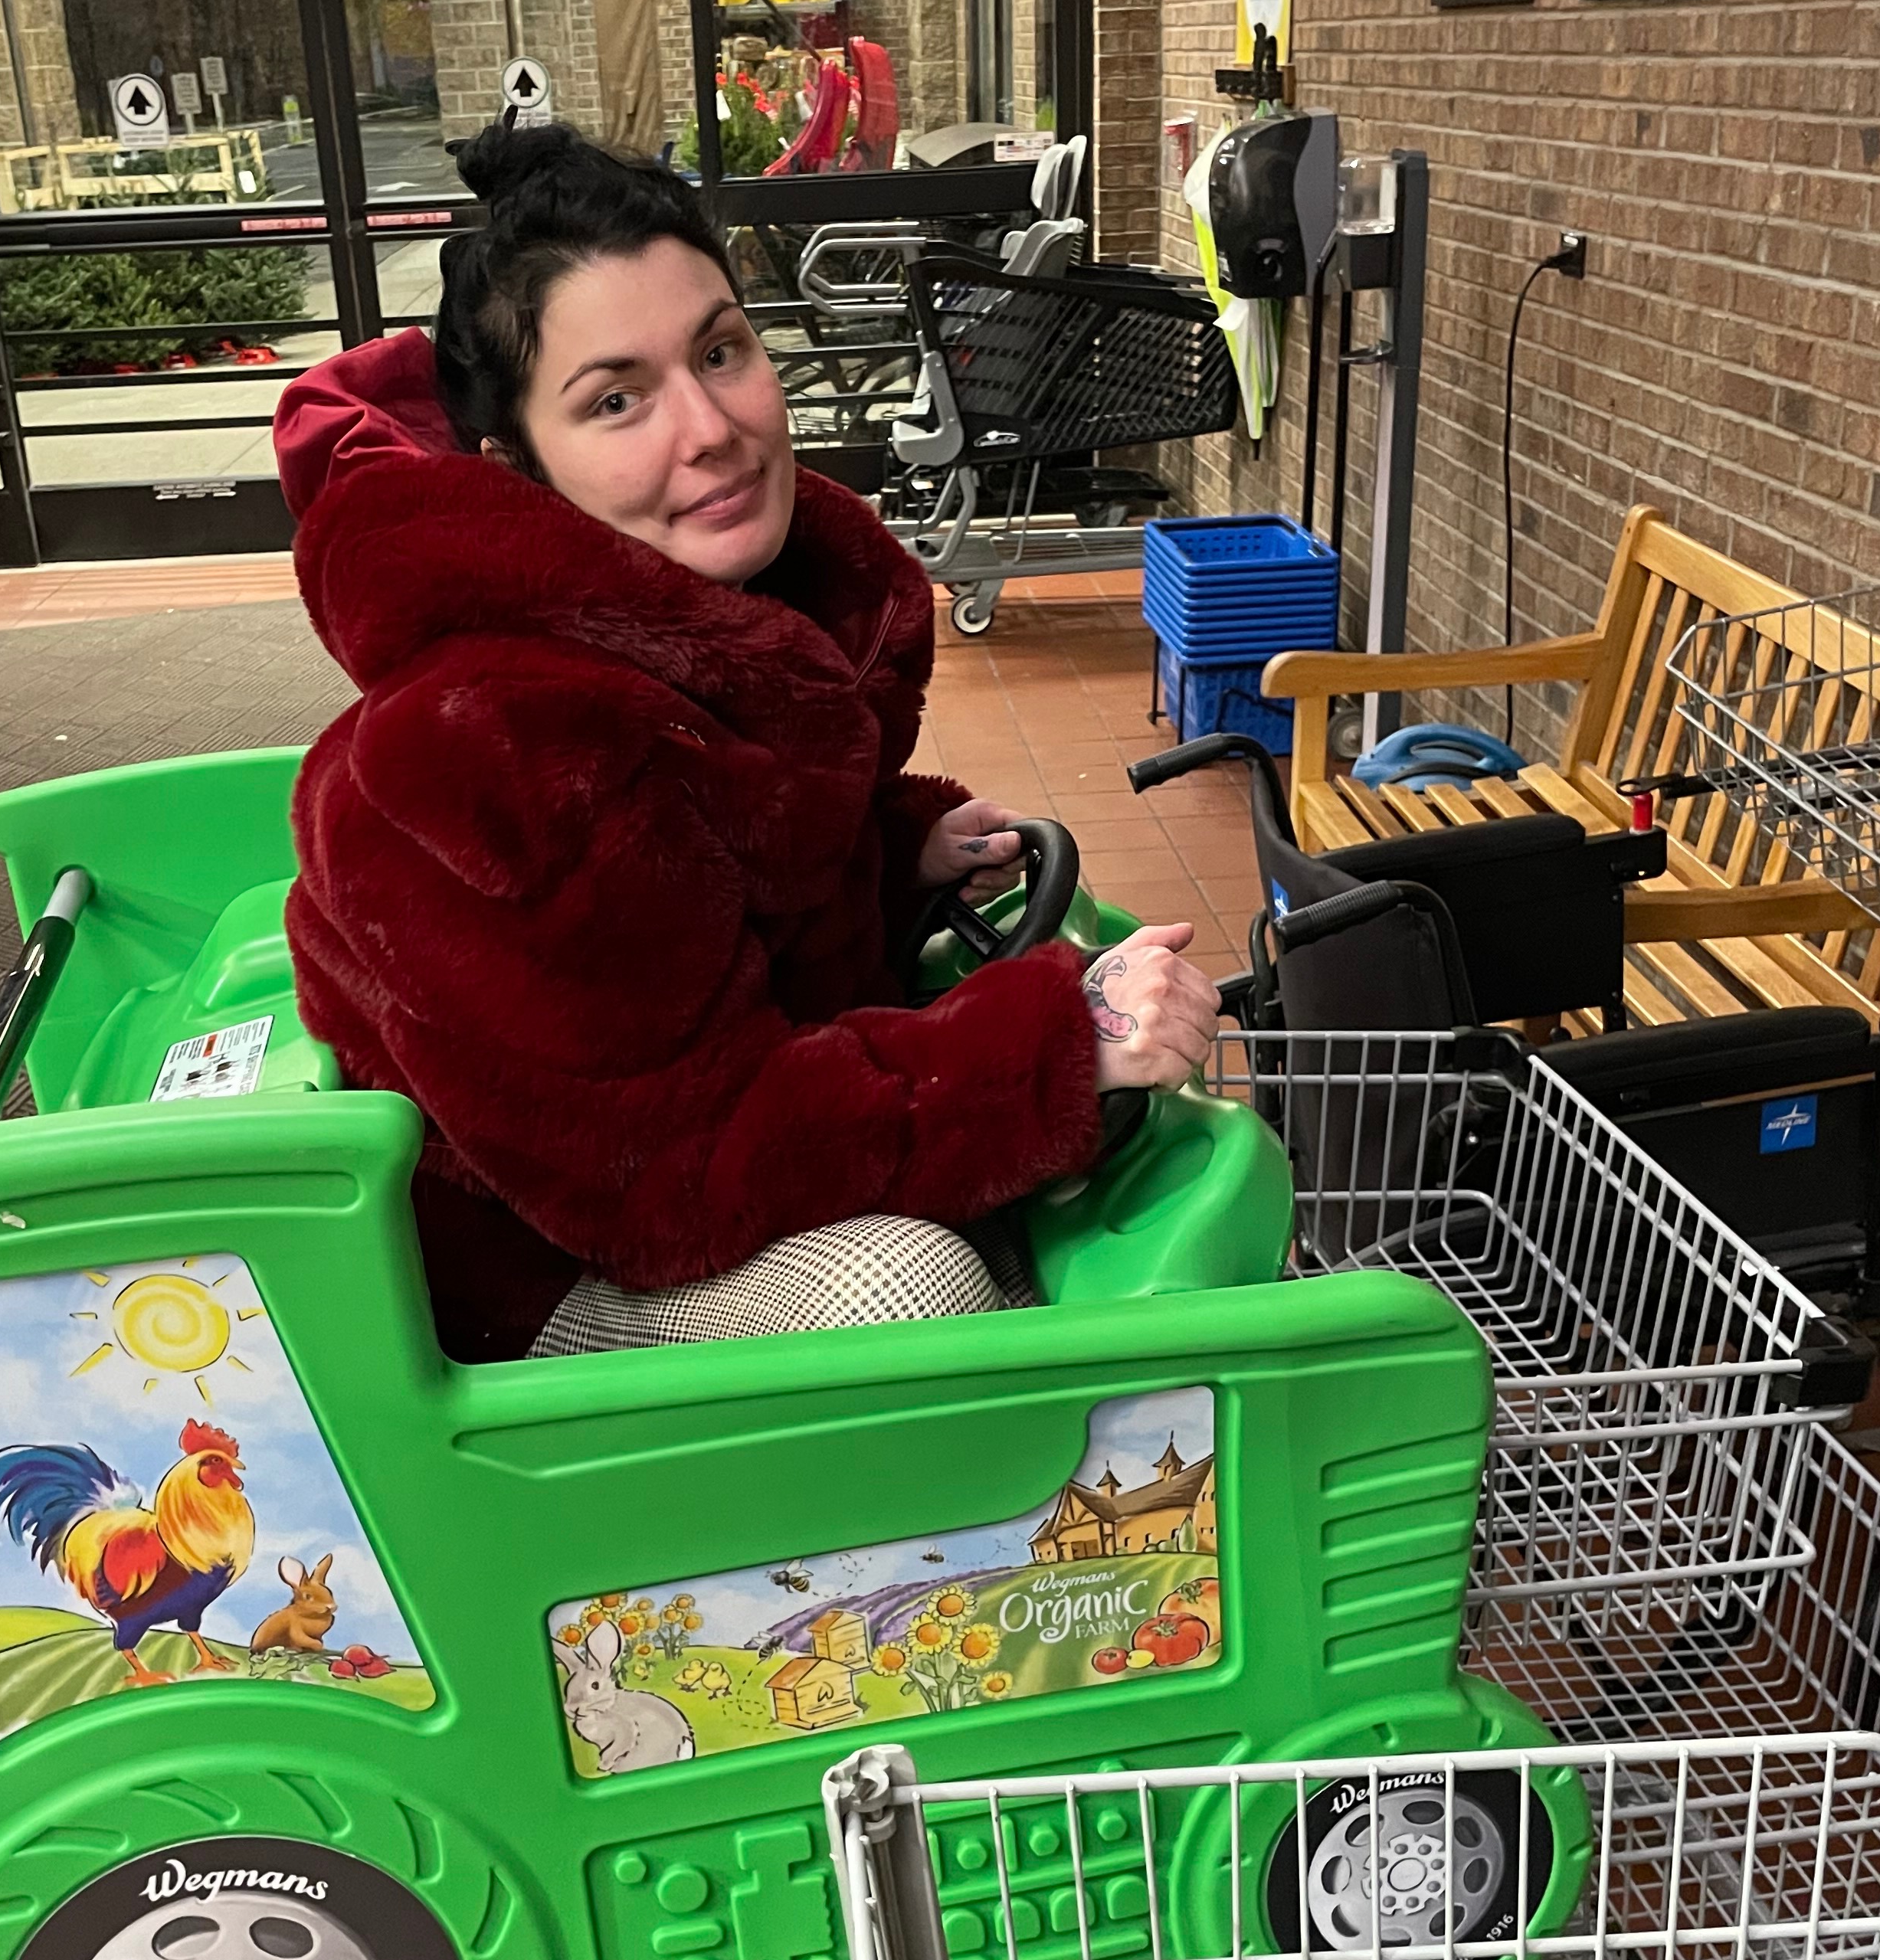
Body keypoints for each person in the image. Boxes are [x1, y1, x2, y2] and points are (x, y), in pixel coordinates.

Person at [277, 120, 1221, 1363]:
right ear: (518, 468)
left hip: (680, 1158)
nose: (710, 428)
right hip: (543, 1269)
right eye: (616, 400)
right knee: (907, 1287)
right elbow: (675, 1173)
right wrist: (1054, 1047)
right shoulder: (493, 746)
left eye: (720, 350)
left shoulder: (722, 612)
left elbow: (699, 889)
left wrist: (893, 850)